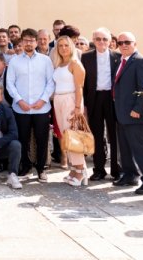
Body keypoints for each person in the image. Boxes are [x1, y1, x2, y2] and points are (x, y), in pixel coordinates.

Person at [112, 32, 143, 195]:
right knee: (125, 147)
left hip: (135, 114)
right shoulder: (120, 61)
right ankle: (130, 175)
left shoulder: (141, 61)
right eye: (120, 42)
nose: (124, 45)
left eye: (127, 42)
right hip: (122, 113)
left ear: (135, 44)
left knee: (141, 148)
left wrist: (138, 109)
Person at [6, 28, 54, 181]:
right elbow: (9, 84)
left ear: (36, 42)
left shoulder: (45, 60)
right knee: (22, 139)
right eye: (26, 40)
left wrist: (43, 100)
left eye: (32, 40)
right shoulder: (14, 61)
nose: (29, 43)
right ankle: (25, 166)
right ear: (21, 41)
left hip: (41, 108)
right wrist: (20, 100)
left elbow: (50, 82)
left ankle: (41, 168)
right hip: (21, 108)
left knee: (42, 140)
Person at [81, 27, 121, 181]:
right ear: (93, 40)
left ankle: (117, 169)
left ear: (110, 41)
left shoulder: (117, 57)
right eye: (98, 39)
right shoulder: (86, 57)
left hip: (112, 99)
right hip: (94, 98)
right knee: (97, 135)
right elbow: (83, 82)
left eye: (105, 39)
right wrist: (84, 103)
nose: (101, 42)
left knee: (114, 134)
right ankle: (99, 169)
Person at [50, 36, 88, 186]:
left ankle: (81, 171)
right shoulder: (59, 64)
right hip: (58, 100)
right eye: (60, 46)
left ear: (71, 47)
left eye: (66, 45)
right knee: (66, 136)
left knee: (74, 135)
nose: (63, 48)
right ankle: (75, 168)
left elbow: (79, 87)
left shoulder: (75, 63)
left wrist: (78, 107)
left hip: (71, 100)